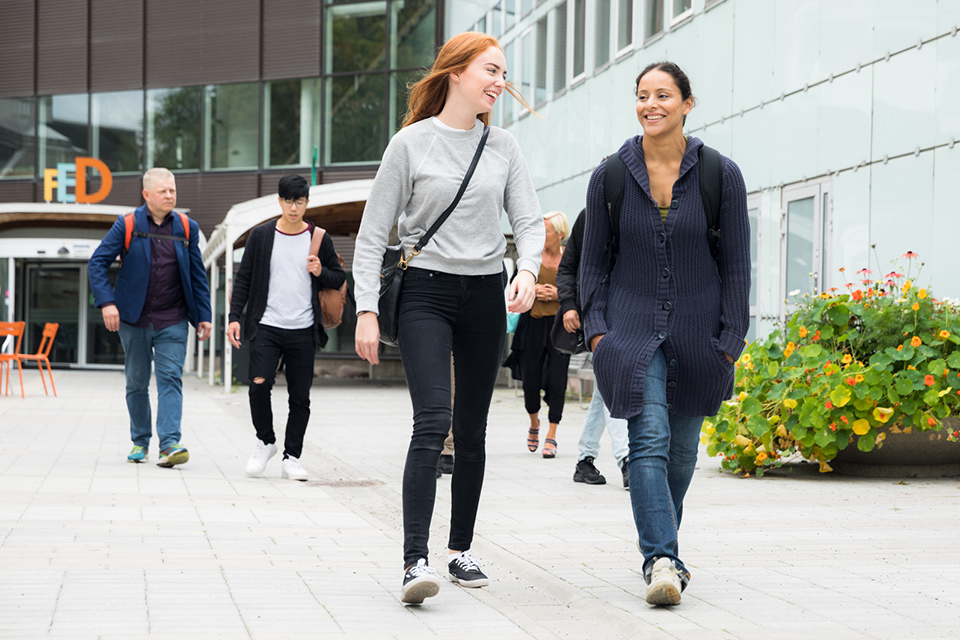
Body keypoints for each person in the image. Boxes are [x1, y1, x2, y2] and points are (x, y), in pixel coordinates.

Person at [352, 32, 544, 605]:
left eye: (504, 73)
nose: (499, 81)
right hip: (426, 292)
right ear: (456, 72)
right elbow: (371, 235)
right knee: (433, 419)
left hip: (485, 292)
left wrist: (528, 271)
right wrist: (365, 309)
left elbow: (529, 221)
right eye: (490, 69)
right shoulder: (409, 145)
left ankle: (460, 549)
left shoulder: (503, 145)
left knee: (474, 428)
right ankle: (415, 560)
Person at [580, 62, 750, 606]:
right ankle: (661, 557)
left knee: (682, 453)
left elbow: (738, 265)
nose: (651, 105)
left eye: (663, 95)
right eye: (642, 96)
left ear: (687, 103)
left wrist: (730, 341)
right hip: (628, 331)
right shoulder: (609, 175)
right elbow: (592, 266)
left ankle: (662, 551)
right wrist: (599, 333)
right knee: (647, 440)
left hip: (701, 333)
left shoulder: (720, 175)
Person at [88, 167, 212, 468]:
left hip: (173, 317)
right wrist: (107, 303)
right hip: (134, 318)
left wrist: (204, 315)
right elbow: (97, 263)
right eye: (163, 191)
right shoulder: (127, 224)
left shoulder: (186, 226)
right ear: (146, 194)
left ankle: (169, 444)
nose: (170, 195)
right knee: (137, 381)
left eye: (172, 190)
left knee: (171, 377)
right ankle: (139, 442)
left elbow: (198, 274)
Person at [227, 174, 346, 482]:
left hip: (304, 328)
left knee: (299, 397)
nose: (294, 207)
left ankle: (292, 457)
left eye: (300, 201)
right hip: (267, 324)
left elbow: (338, 279)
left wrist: (321, 271)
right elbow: (244, 279)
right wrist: (233, 317)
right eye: (288, 200)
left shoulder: (319, 238)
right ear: (279, 201)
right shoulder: (261, 236)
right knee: (258, 385)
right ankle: (265, 441)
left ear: (307, 202)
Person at [556, 211, 629, 488]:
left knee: (603, 390)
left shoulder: (641, 210)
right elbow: (568, 267)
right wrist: (568, 305)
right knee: (613, 383)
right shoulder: (589, 217)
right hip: (597, 317)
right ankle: (627, 459)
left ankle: (585, 460)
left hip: (631, 315)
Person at [514, 211, 570, 459]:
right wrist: (531, 288)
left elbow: (580, 288)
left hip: (561, 328)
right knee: (531, 381)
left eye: (546, 231)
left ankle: (552, 435)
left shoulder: (570, 258)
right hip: (533, 325)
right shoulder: (532, 256)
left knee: (558, 382)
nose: (542, 235)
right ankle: (534, 423)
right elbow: (515, 285)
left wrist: (558, 294)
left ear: (560, 234)